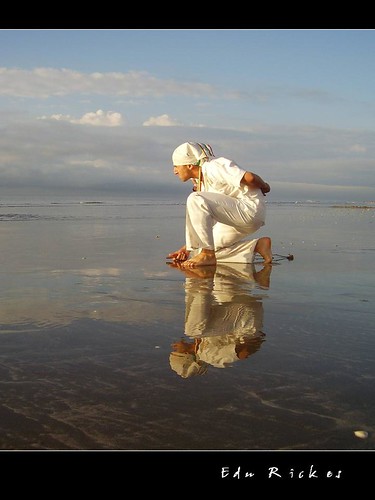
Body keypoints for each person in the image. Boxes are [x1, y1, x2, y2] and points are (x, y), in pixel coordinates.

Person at [166, 142, 272, 268]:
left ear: (189, 165)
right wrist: (186, 249)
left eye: (176, 166)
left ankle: (207, 254)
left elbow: (250, 178)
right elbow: (205, 221)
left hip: (248, 210)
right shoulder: (202, 182)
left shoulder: (213, 166)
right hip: (235, 218)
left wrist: (265, 187)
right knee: (196, 251)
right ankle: (257, 246)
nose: (175, 171)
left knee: (195, 199)